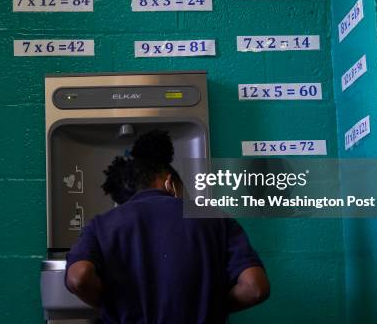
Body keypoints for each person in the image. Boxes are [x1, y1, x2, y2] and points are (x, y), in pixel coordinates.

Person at [65, 130, 269, 323]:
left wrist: (111, 306)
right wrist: (212, 307)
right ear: (170, 183)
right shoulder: (216, 218)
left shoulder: (101, 225)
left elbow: (79, 277)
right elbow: (254, 287)